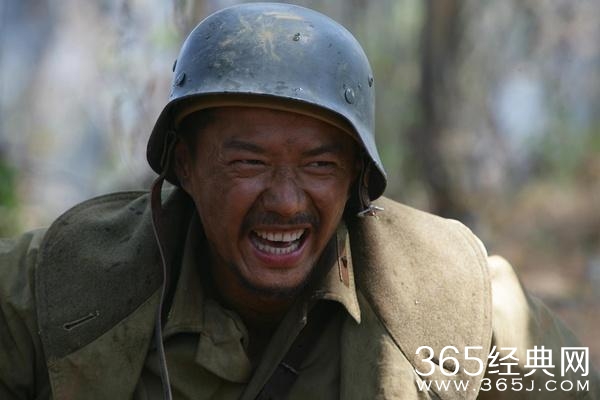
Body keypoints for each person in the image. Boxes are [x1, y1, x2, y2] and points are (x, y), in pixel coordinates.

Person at [0, 3, 597, 399]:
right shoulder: (62, 286)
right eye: (248, 163)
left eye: (319, 165)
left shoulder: (449, 296)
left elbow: (574, 380)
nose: (286, 202)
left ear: (356, 177)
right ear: (184, 165)